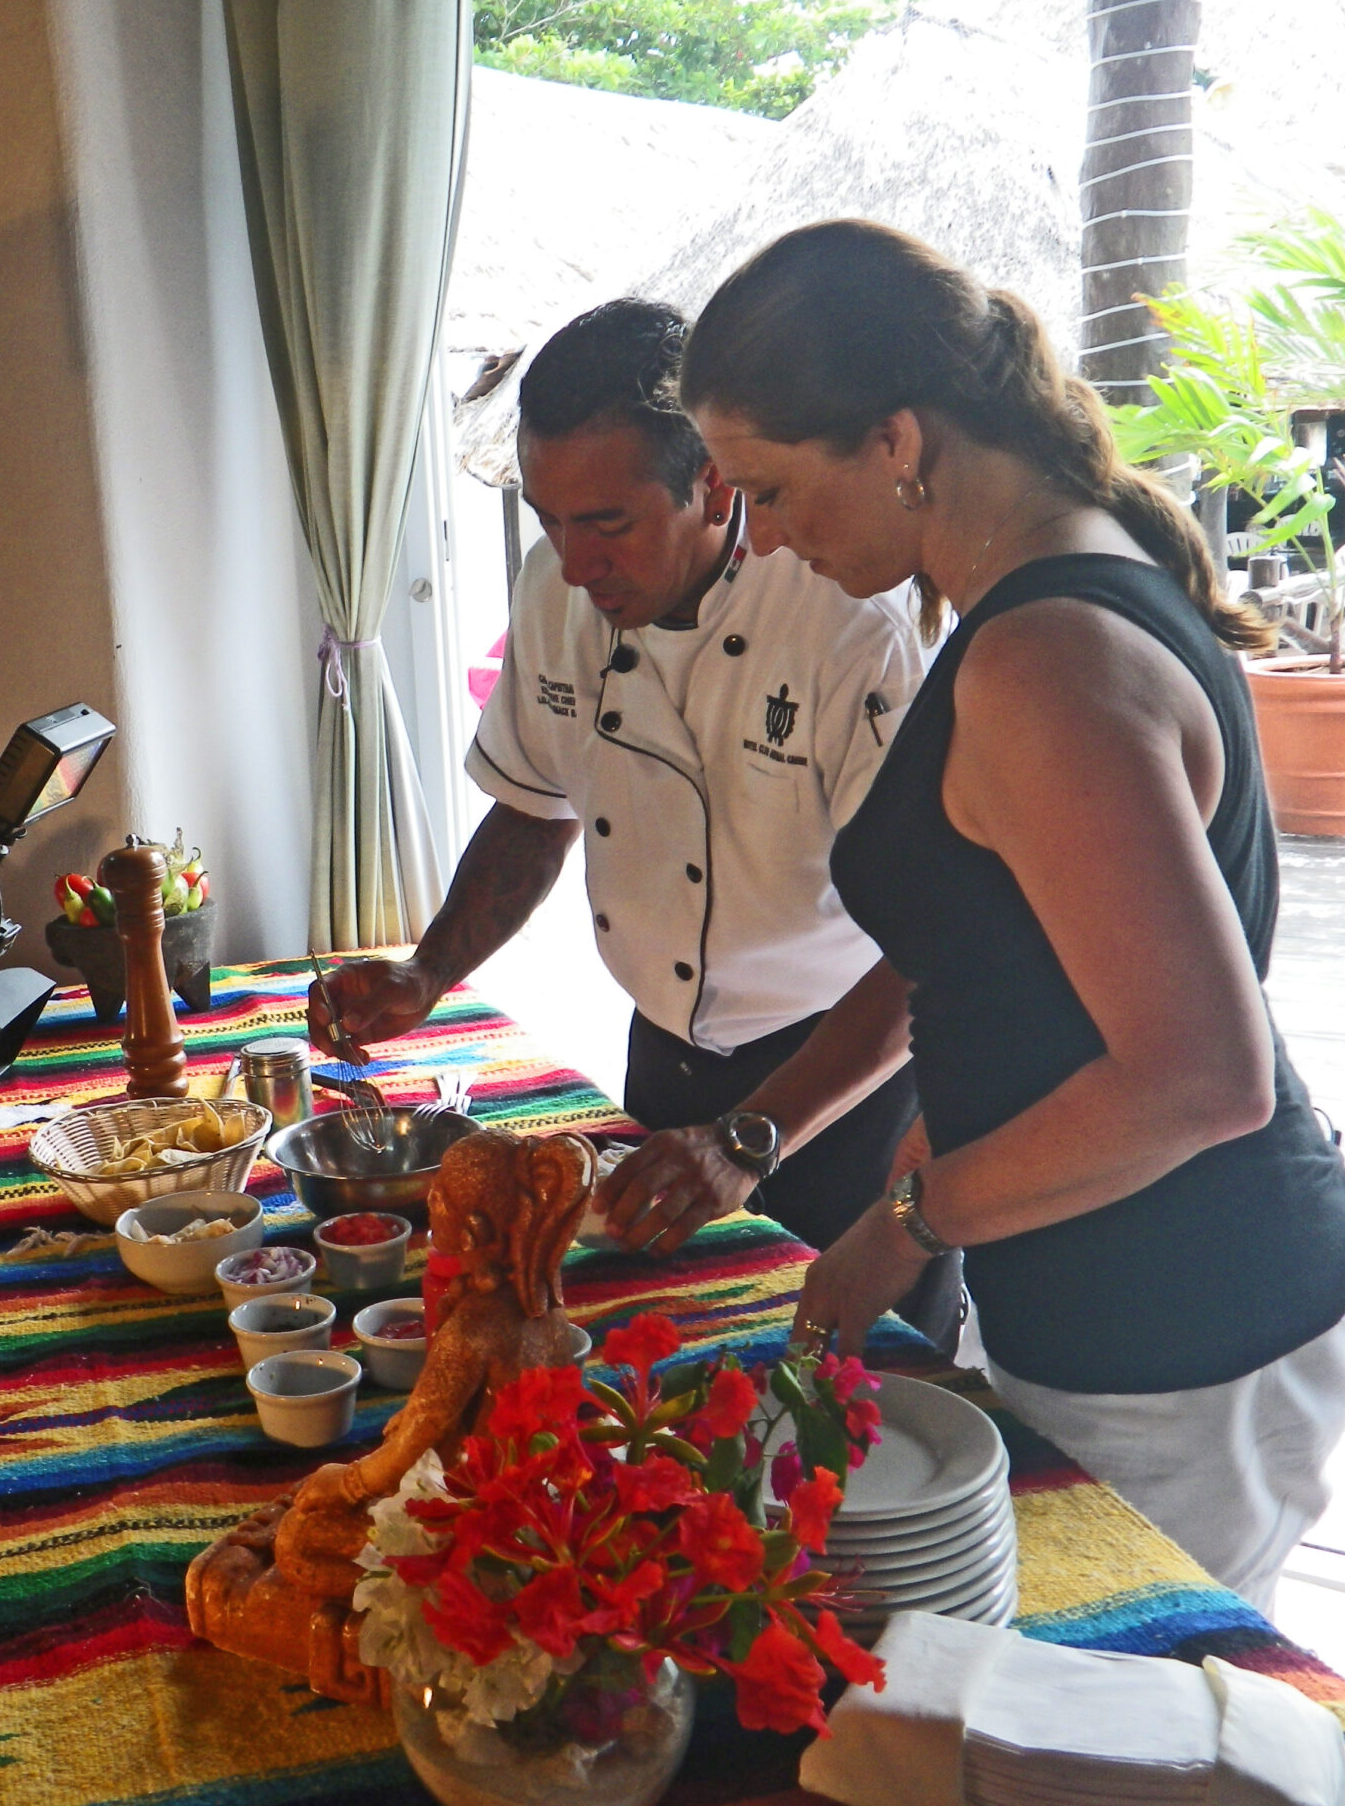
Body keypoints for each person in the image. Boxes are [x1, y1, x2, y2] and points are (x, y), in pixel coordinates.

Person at [676, 218, 1345, 1613]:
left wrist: (910, 1217)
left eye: (766, 487)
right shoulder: (1039, 587)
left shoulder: (1044, 659)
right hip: (1120, 1299)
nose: (758, 536)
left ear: (894, 441)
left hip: (1189, 1323)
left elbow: (1199, 1080)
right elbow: (1008, 984)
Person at [310, 299, 957, 1345]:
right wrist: (426, 973)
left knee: (854, 1407)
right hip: (663, 1067)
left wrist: (753, 1135)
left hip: (847, 1082)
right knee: (668, 1374)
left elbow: (936, 951)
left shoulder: (850, 624)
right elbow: (533, 804)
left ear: (711, 482)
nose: (571, 562)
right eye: (546, 518)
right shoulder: (555, 590)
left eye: (606, 523)